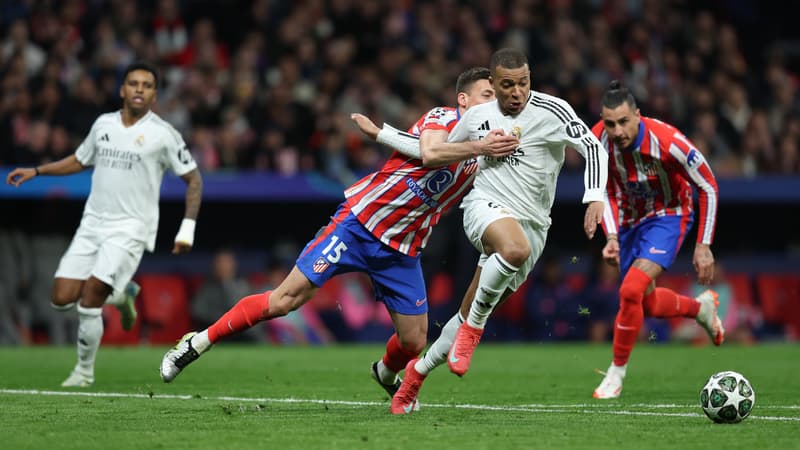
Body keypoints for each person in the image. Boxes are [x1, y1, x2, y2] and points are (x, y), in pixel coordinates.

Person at [158, 68, 517, 406]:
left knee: (413, 342)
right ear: (464, 100)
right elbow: (432, 151)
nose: (494, 102)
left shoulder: (487, 151)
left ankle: (385, 372)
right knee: (284, 301)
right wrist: (480, 148)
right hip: (357, 225)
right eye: (487, 94)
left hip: (402, 250)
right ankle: (197, 342)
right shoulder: (443, 118)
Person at [391, 47, 608, 414]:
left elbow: (593, 148)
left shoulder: (553, 111)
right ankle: (474, 332)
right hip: (484, 207)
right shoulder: (478, 116)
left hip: (534, 226)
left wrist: (595, 196)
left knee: (468, 311)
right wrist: (382, 134)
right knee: (512, 253)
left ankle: (417, 373)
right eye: (508, 85)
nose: (517, 92)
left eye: (523, 83)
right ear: (493, 83)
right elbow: (435, 150)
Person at [5, 61, 203, 387]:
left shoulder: (164, 135)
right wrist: (37, 171)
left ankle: (83, 372)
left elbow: (194, 180)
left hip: (132, 227)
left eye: (147, 85)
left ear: (154, 95)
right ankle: (121, 295)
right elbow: (80, 160)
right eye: (134, 83)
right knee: (60, 299)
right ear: (123, 89)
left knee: (91, 297)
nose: (140, 89)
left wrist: (187, 229)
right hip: (93, 223)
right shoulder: (102, 125)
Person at [590, 80, 722, 399]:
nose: (617, 131)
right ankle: (700, 309)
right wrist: (611, 236)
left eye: (624, 122)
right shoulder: (597, 141)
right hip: (628, 220)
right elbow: (601, 191)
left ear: (638, 115)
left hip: (669, 214)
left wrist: (703, 245)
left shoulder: (668, 141)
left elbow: (707, 185)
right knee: (644, 302)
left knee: (630, 289)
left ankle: (616, 373)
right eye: (610, 124)